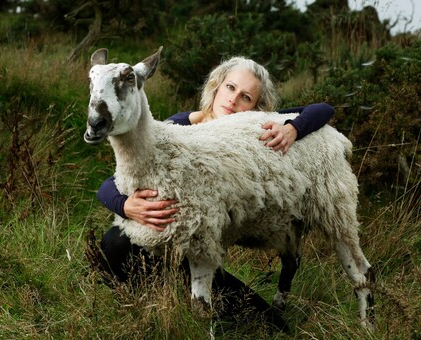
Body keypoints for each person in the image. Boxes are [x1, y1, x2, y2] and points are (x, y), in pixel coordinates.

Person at [94, 56, 334, 330]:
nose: (233, 100)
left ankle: (215, 308)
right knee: (116, 241)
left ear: (256, 108)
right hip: (163, 243)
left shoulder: (248, 130)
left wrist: (293, 127)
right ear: (216, 87)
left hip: (202, 254)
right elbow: (108, 184)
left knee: (268, 327)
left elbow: (322, 109)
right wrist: (125, 205)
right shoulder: (179, 127)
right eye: (230, 88)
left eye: (246, 97)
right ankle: (156, 307)